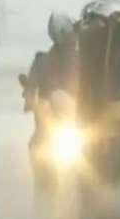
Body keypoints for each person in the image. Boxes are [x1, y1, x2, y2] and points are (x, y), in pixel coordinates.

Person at [21, 12, 78, 146]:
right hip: (49, 117)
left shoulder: (82, 59)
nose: (72, 38)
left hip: (75, 116)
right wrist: (29, 94)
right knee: (37, 144)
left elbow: (95, 80)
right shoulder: (42, 60)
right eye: (68, 35)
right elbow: (32, 81)